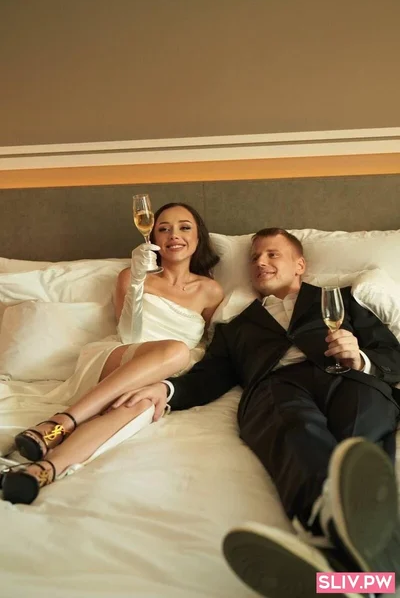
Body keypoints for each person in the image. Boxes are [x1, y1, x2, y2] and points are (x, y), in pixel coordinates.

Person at [121, 228, 400, 598]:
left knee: (358, 453)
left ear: (300, 265)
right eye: (254, 257)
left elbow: (392, 353)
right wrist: (167, 388)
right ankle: (356, 554)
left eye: (272, 254)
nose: (259, 262)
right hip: (277, 386)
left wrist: (360, 357)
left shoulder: (342, 300)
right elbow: (208, 377)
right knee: (297, 432)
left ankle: (342, 570)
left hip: (349, 378)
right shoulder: (236, 327)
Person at [1, 203, 224, 505]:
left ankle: (43, 470)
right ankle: (62, 421)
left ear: (198, 237)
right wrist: (137, 282)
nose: (174, 235)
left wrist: (167, 380)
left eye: (184, 227)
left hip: (162, 372)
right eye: (164, 228)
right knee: (175, 350)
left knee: (140, 405)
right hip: (119, 356)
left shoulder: (211, 291)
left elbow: (207, 348)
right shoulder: (131, 276)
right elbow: (129, 333)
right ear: (153, 238)